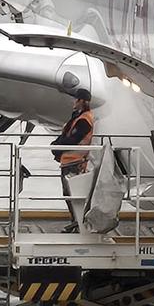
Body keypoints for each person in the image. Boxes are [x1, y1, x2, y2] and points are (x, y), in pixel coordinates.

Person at [56, 92, 95, 233]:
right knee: (69, 195)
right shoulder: (78, 118)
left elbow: (72, 139)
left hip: (75, 162)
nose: (73, 102)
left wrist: (57, 146)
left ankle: (78, 223)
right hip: (69, 162)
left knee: (73, 195)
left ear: (82, 101)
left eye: (76, 99)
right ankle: (76, 222)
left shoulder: (84, 120)